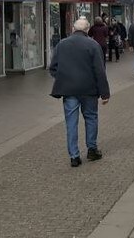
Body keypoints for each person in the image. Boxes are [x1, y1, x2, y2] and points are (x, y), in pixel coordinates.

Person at [49, 18, 110, 167]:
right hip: (89, 90)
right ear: (87, 29)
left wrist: (64, 78)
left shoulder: (62, 44)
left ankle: (74, 156)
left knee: (71, 122)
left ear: (73, 28)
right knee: (91, 118)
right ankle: (92, 149)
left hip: (69, 90)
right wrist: (105, 93)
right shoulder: (93, 45)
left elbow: (53, 67)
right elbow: (100, 71)